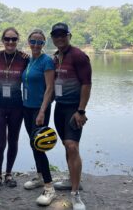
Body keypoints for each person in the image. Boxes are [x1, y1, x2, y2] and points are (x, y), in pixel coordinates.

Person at [50, 23, 92, 210]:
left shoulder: (78, 56)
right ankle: (71, 180)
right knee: (67, 146)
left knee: (72, 146)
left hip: (74, 109)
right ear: (53, 37)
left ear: (69, 35)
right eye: (56, 35)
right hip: (59, 108)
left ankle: (75, 193)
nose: (60, 38)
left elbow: (86, 84)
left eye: (63, 35)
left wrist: (81, 110)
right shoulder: (55, 58)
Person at [0, 27, 28, 191]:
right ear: (2, 40)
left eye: (14, 39)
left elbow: (34, 76)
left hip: (16, 106)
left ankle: (9, 174)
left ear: (18, 40)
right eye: (7, 39)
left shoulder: (24, 59)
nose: (10, 42)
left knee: (13, 141)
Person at [22, 29, 56, 206]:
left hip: (40, 109)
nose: (36, 45)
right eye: (33, 41)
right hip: (26, 108)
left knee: (39, 145)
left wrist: (43, 111)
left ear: (44, 44)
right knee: (32, 143)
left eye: (40, 42)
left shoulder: (47, 61)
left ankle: (49, 188)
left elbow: (50, 88)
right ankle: (40, 176)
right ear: (28, 42)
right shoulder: (29, 60)